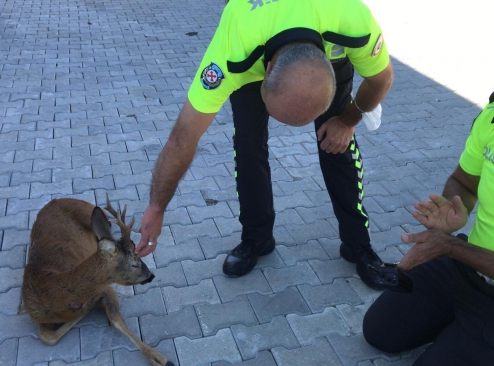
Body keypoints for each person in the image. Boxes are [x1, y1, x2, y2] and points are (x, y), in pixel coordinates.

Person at [363, 9, 494, 365]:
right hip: (471, 265)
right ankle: (468, 330)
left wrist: (450, 248)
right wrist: (451, 209)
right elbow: (463, 181)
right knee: (379, 331)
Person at [133, 0, 394, 288]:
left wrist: (347, 120)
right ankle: (257, 238)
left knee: (337, 144)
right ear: (267, 71)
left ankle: (358, 243)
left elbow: (382, 79)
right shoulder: (234, 50)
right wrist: (156, 208)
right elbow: (183, 137)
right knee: (248, 146)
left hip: (322, 45)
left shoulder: (352, 21)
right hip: (257, 44)